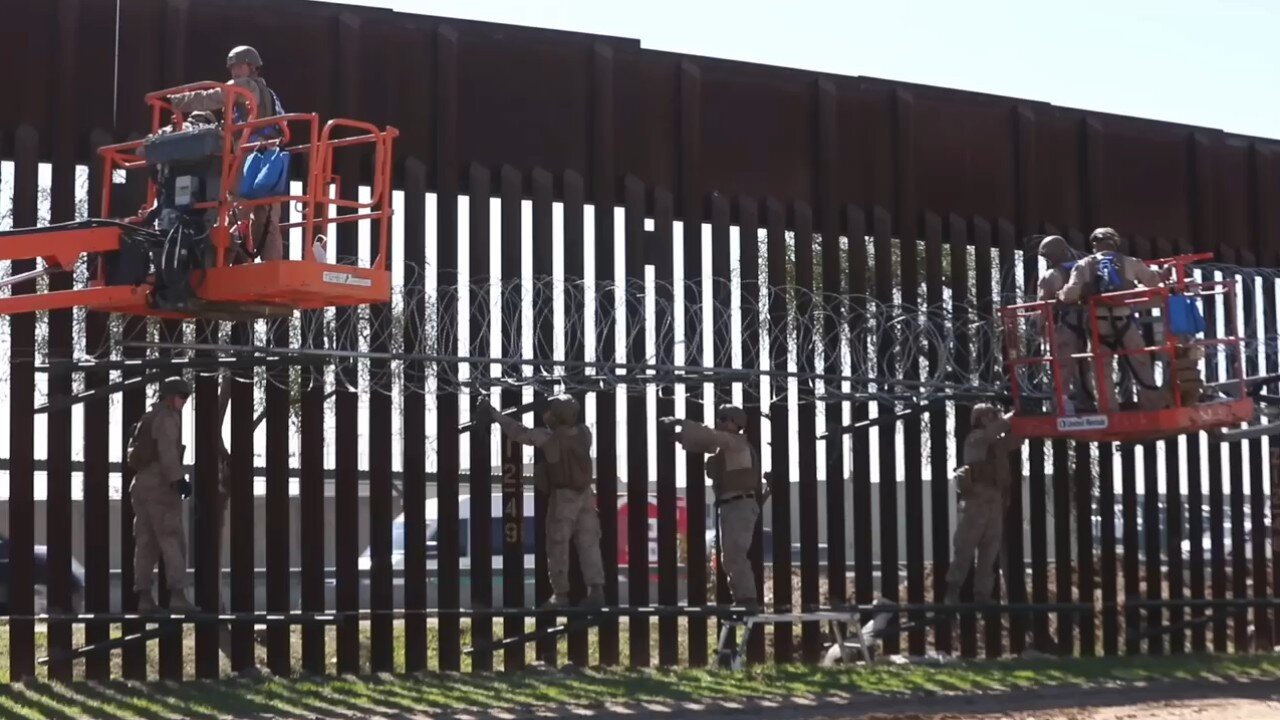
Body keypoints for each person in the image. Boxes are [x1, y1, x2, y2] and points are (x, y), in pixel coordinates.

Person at [474, 395, 606, 609]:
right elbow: (561, 426)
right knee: (589, 543)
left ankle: (561, 595)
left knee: (557, 545)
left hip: (564, 498)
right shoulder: (584, 433)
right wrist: (548, 411)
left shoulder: (548, 438)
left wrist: (495, 415)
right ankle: (596, 590)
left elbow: (518, 431)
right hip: (585, 496)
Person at [168, 45, 286, 262]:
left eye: (239, 66)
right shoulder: (270, 94)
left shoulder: (244, 88)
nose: (234, 71)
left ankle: (219, 264)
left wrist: (177, 100)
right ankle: (271, 268)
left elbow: (212, 96)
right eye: (232, 67)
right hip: (269, 160)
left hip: (250, 159)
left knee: (232, 215)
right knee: (266, 220)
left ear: (252, 67)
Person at [659, 405, 762, 614]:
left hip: (739, 506)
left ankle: (748, 599)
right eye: (719, 418)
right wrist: (680, 438)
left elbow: (711, 437)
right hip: (732, 506)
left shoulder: (736, 443)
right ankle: (742, 599)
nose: (720, 422)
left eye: (724, 418)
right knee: (730, 556)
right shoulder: (729, 447)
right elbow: (707, 442)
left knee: (735, 554)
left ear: (737, 423)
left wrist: (681, 423)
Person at [1058, 227, 1169, 411]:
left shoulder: (1084, 265)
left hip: (1098, 324)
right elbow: (1154, 283)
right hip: (1124, 319)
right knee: (1140, 363)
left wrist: (1060, 295)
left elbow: (1071, 294)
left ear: (1094, 244)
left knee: (1101, 370)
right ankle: (1153, 406)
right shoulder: (1130, 262)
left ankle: (1108, 411)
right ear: (1115, 243)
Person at [126, 378, 195, 612]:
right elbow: (167, 452)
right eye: (182, 396)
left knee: (145, 542)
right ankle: (177, 595)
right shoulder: (167, 418)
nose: (185, 401)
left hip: (140, 485)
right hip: (160, 485)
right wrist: (178, 480)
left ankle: (144, 598)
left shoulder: (149, 416)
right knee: (172, 538)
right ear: (170, 396)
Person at [944, 404, 1020, 605]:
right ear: (982, 419)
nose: (997, 417)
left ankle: (982, 596)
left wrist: (1024, 421)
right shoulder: (975, 439)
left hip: (994, 501)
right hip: (976, 501)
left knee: (990, 550)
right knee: (965, 548)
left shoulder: (997, 443)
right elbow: (996, 431)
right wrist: (1014, 415)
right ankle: (952, 593)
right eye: (992, 414)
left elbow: (1017, 439)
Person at [1036, 235, 1091, 412]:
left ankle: (1061, 405)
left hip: (1065, 326)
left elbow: (1042, 308)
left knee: (1063, 368)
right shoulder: (1083, 271)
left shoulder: (1050, 276)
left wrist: (1037, 328)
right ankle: (1087, 400)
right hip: (1088, 325)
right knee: (1086, 364)